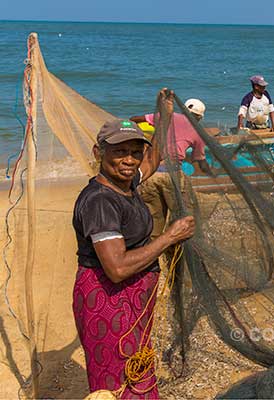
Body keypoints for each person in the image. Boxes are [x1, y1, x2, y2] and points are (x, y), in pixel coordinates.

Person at [72, 89, 196, 398]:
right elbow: (116, 268)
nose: (129, 160)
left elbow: (154, 158)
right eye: (119, 152)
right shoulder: (101, 200)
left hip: (133, 299)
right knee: (118, 381)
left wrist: (164, 116)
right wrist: (170, 237)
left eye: (134, 152)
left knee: (137, 367)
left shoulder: (125, 184)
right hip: (108, 300)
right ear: (99, 152)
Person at [130, 98, 213, 241]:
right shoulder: (198, 132)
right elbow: (199, 159)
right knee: (184, 219)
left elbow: (135, 119)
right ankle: (178, 255)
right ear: (199, 117)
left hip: (150, 174)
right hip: (172, 176)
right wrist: (211, 172)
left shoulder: (165, 116)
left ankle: (151, 256)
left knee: (153, 222)